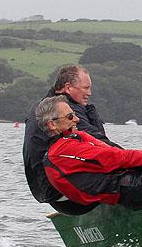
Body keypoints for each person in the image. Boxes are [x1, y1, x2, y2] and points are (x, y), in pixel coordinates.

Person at [23, 65, 120, 213]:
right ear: (68, 88)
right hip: (63, 193)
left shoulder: (45, 106)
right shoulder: (64, 111)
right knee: (131, 178)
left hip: (49, 192)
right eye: (86, 88)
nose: (89, 93)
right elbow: (99, 142)